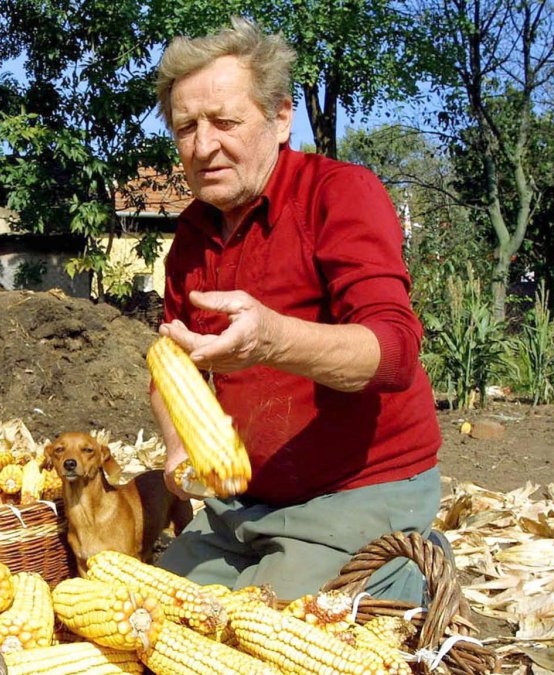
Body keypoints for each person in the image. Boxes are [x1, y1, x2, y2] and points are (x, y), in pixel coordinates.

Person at [151, 17, 443, 604]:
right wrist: (180, 444)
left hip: (357, 490)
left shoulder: (339, 194)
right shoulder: (191, 234)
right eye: (186, 127)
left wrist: (272, 339)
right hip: (242, 504)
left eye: (226, 122)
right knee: (157, 615)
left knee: (256, 640)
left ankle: (409, 568)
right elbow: (171, 361)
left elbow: (394, 353)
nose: (204, 145)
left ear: (282, 118)